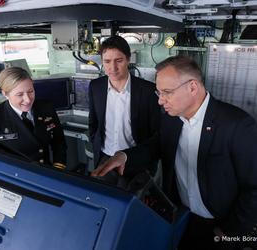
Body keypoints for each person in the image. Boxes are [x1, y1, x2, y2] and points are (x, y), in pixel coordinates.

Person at [92, 55, 257, 250]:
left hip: (221, 226)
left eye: (167, 92)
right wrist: (124, 156)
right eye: (159, 93)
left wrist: (231, 233)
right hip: (182, 217)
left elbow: (254, 188)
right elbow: (156, 146)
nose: (161, 101)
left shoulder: (237, 125)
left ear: (193, 87)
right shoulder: (171, 118)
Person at [88, 35, 160, 178]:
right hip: (104, 157)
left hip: (135, 161)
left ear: (128, 59)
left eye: (118, 61)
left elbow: (156, 134)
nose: (112, 67)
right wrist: (95, 141)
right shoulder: (96, 86)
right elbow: (93, 122)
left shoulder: (148, 91)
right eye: (107, 61)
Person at [0, 67, 67, 169]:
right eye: (20, 94)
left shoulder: (45, 108)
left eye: (30, 91)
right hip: (16, 176)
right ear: (5, 94)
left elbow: (59, 141)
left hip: (45, 172)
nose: (28, 100)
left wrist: (58, 168)